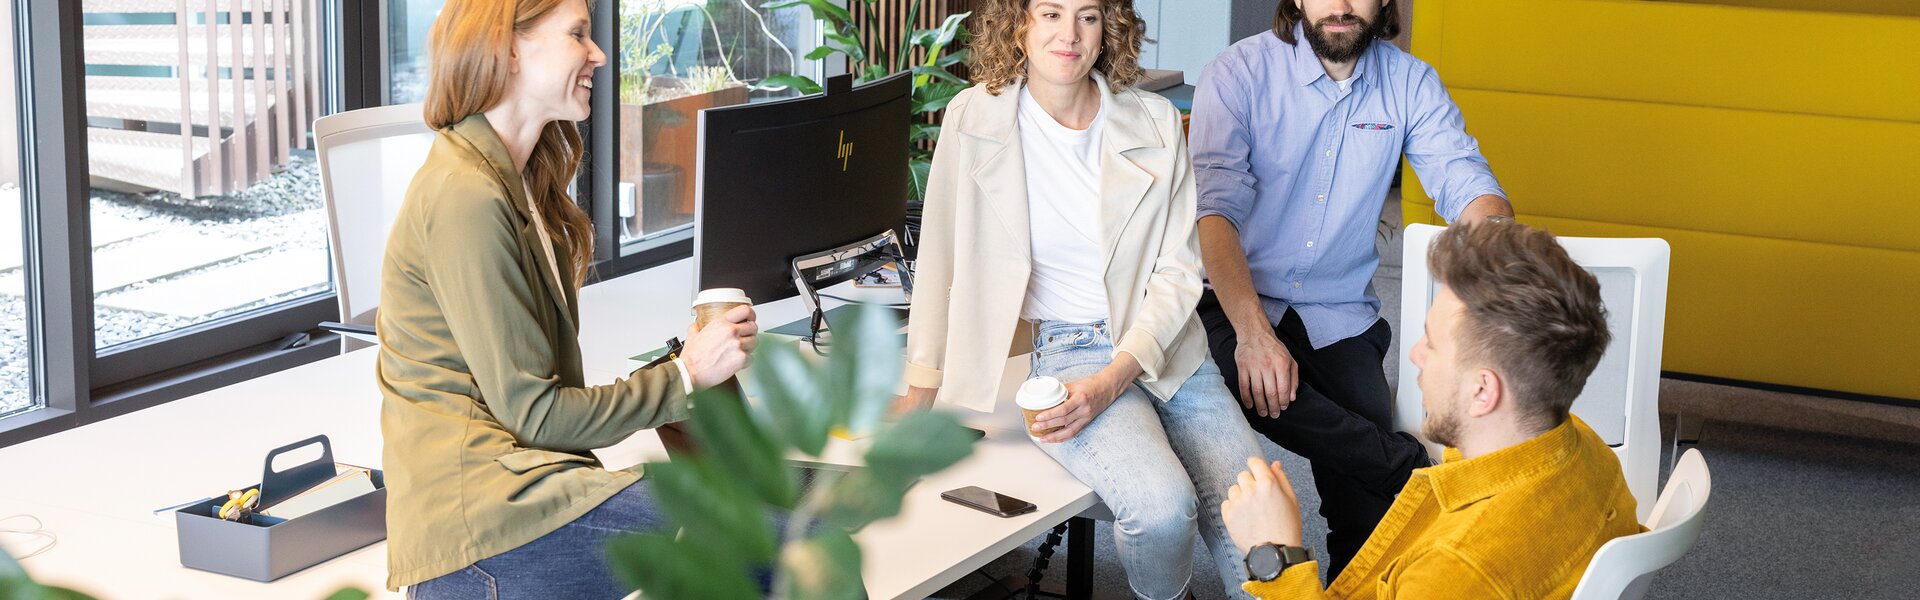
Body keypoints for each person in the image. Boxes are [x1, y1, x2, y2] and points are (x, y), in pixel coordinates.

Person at [375, 0, 758, 596]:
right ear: (507, 50)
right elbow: (539, 412)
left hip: (522, 494)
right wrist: (685, 376)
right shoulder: (466, 197)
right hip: (480, 527)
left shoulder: (518, 181)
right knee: (781, 544)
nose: (598, 55)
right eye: (579, 34)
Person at [894, 0, 1265, 597]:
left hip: (1168, 346)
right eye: (1050, 14)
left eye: (1087, 16)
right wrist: (920, 390)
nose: (1068, 34)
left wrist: (1117, 376)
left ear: (1107, 29)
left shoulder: (1155, 120)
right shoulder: (973, 117)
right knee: (1163, 509)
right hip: (1067, 353)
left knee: (1261, 517)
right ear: (1019, 24)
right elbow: (939, 258)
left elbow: (1179, 273)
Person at [1187, 0, 1515, 577]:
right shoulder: (1238, 73)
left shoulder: (1410, 82)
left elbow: (1464, 180)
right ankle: (1409, 468)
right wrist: (1255, 336)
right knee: (1259, 383)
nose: (1339, 6)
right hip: (1229, 300)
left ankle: (1367, 541)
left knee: (1366, 507)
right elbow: (1214, 215)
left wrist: (1494, 238)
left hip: (1337, 311)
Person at [1219, 221, 1645, 598]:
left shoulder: (1455, 568)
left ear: (1483, 391)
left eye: (1432, 345)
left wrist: (1275, 555)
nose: (1416, 355)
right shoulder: (1585, 446)